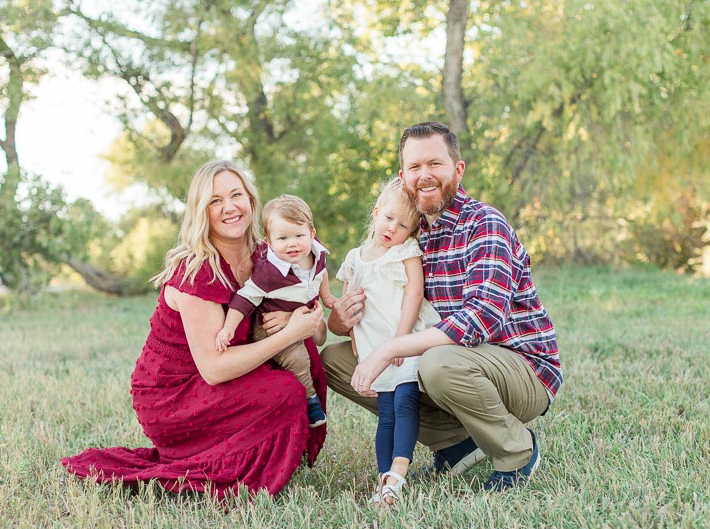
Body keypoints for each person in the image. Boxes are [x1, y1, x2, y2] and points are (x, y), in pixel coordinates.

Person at [62, 160, 327, 500]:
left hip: (227, 372)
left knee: (306, 360)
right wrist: (289, 333)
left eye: (236, 195)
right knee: (284, 390)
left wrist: (298, 323)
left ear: (251, 199)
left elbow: (314, 331)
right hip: (175, 391)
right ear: (202, 211)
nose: (229, 207)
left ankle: (275, 456)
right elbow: (214, 369)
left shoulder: (270, 254)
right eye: (216, 201)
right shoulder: (197, 270)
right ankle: (222, 466)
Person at [322, 122, 562, 492]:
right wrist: (340, 320)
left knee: (438, 362)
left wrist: (389, 349)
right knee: (335, 362)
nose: (425, 175)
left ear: (458, 169)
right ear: (403, 177)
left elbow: (482, 317)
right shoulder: (405, 235)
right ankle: (456, 445)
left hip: (520, 367)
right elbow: (376, 310)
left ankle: (517, 450)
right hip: (453, 364)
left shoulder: (484, 224)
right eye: (415, 167)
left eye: (435, 163)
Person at [335, 178, 441, 507]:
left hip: (404, 339)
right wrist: (355, 340)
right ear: (377, 212)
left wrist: (402, 339)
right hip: (373, 348)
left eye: (403, 225)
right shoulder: (356, 258)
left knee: (405, 403)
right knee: (386, 414)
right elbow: (348, 302)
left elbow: (414, 291)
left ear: (412, 232)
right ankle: (385, 482)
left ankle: (398, 472)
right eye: (389, 218)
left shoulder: (406, 251)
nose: (393, 228)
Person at [215, 194, 336, 428]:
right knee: (298, 359)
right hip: (271, 327)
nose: (292, 243)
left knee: (316, 348)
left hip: (299, 316)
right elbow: (244, 298)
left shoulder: (316, 252)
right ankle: (310, 400)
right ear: (269, 242)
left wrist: (327, 297)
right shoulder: (268, 272)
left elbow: (320, 273)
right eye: (282, 238)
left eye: (299, 235)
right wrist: (228, 327)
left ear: (312, 234)